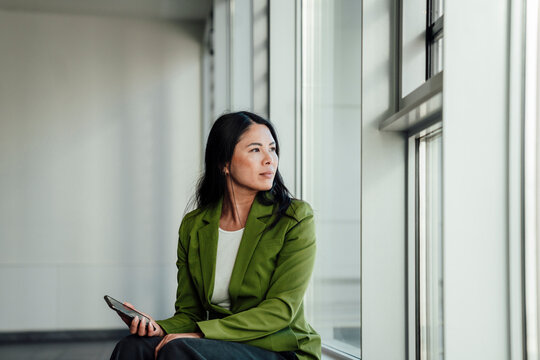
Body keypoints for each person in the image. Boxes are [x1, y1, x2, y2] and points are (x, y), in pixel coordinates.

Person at [110, 111, 320, 360]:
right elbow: (190, 313)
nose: (270, 160)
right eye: (255, 150)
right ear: (224, 163)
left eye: (272, 149)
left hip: (280, 347)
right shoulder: (195, 226)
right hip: (219, 343)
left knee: (178, 349)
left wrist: (201, 335)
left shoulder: (295, 218)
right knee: (132, 346)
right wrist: (158, 327)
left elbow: (281, 310)